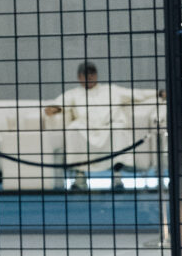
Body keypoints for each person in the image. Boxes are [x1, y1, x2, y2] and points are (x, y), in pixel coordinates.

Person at [44, 61, 157, 190]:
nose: (89, 77)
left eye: (92, 74)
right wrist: (55, 108)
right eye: (86, 75)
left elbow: (136, 94)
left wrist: (158, 93)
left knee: (118, 130)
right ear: (79, 77)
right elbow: (60, 104)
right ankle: (80, 175)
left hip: (109, 126)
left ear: (96, 75)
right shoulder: (73, 93)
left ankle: (117, 174)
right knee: (73, 130)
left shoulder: (111, 90)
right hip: (85, 128)